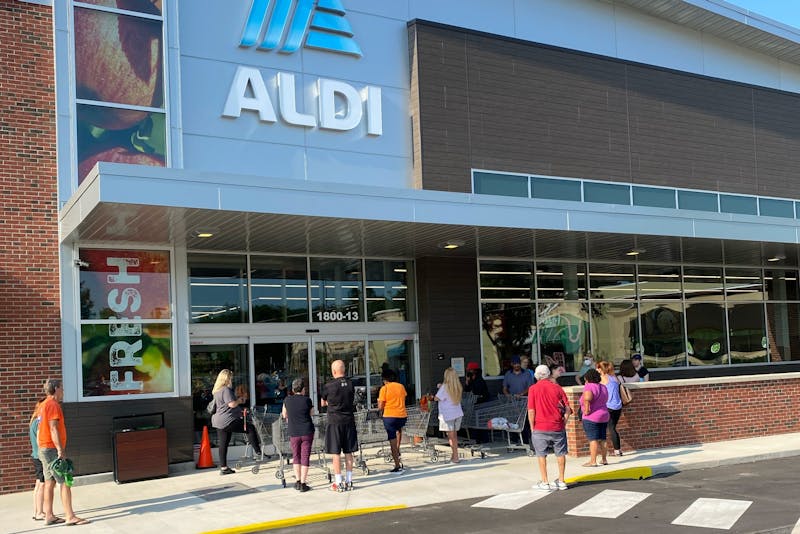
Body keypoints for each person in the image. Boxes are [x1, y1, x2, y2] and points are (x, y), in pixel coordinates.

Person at [38, 379, 90, 526]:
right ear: (56, 389)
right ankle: (70, 516)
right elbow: (53, 428)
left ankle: (49, 515)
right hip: (52, 449)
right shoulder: (53, 405)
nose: (63, 391)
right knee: (65, 481)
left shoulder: (43, 405)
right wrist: (60, 450)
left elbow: (39, 427)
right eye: (62, 388)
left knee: (49, 481)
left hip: (44, 448)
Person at [528, 365, 571, 491]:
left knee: (541, 455)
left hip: (540, 426)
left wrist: (532, 427)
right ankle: (561, 480)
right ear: (548, 374)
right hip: (557, 426)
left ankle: (545, 481)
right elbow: (567, 409)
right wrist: (564, 422)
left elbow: (531, 410)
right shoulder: (557, 388)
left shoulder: (533, 389)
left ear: (536, 375)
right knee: (560, 453)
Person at [211, 369, 262, 475]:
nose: (232, 380)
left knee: (223, 444)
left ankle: (224, 468)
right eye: (231, 378)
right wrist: (239, 400)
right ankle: (258, 452)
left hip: (218, 421)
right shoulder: (226, 390)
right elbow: (232, 404)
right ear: (227, 378)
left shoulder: (217, 390)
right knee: (250, 428)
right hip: (228, 420)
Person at [321, 359, 358, 492]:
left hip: (334, 422)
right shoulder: (350, 384)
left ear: (334, 371)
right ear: (344, 370)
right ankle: (349, 480)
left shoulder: (329, 386)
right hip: (349, 421)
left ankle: (338, 482)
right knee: (349, 451)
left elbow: (322, 403)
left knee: (336, 453)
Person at [281, 378, 314, 492]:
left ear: (293, 389)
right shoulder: (307, 400)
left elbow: (284, 415)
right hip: (307, 431)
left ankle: (298, 481)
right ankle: (304, 484)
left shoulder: (287, 400)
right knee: (305, 456)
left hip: (294, 432)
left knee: (296, 456)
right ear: (303, 389)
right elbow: (312, 413)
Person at [377, 369, 407, 473]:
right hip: (402, 416)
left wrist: (379, 406)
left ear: (385, 379)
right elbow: (403, 398)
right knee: (398, 431)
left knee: (392, 440)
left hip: (390, 417)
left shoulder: (384, 389)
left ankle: (397, 464)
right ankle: (397, 449)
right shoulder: (401, 386)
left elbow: (380, 406)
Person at [580, 369, 609, 467]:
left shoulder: (589, 386)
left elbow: (587, 398)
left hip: (592, 417)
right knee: (603, 438)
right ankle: (604, 459)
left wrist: (587, 410)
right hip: (604, 415)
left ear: (587, 378)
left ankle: (593, 461)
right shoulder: (603, 387)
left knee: (593, 439)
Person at [435, 367, 464, 463]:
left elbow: (437, 398)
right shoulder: (457, 386)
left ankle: (455, 457)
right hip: (457, 413)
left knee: (451, 437)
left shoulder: (444, 387)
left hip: (447, 415)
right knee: (454, 436)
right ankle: (454, 455)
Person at [597, 361, 624, 457]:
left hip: (609, 406)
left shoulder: (603, 378)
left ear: (601, 369)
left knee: (611, 428)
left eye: (598, 368)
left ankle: (617, 450)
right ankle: (617, 449)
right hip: (618, 406)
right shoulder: (614, 377)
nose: (597, 370)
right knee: (613, 427)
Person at [29, 399, 45, 522]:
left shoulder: (33, 421)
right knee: (42, 484)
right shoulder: (39, 422)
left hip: (35, 456)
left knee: (38, 483)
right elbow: (40, 441)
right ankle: (39, 512)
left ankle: (37, 510)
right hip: (40, 457)